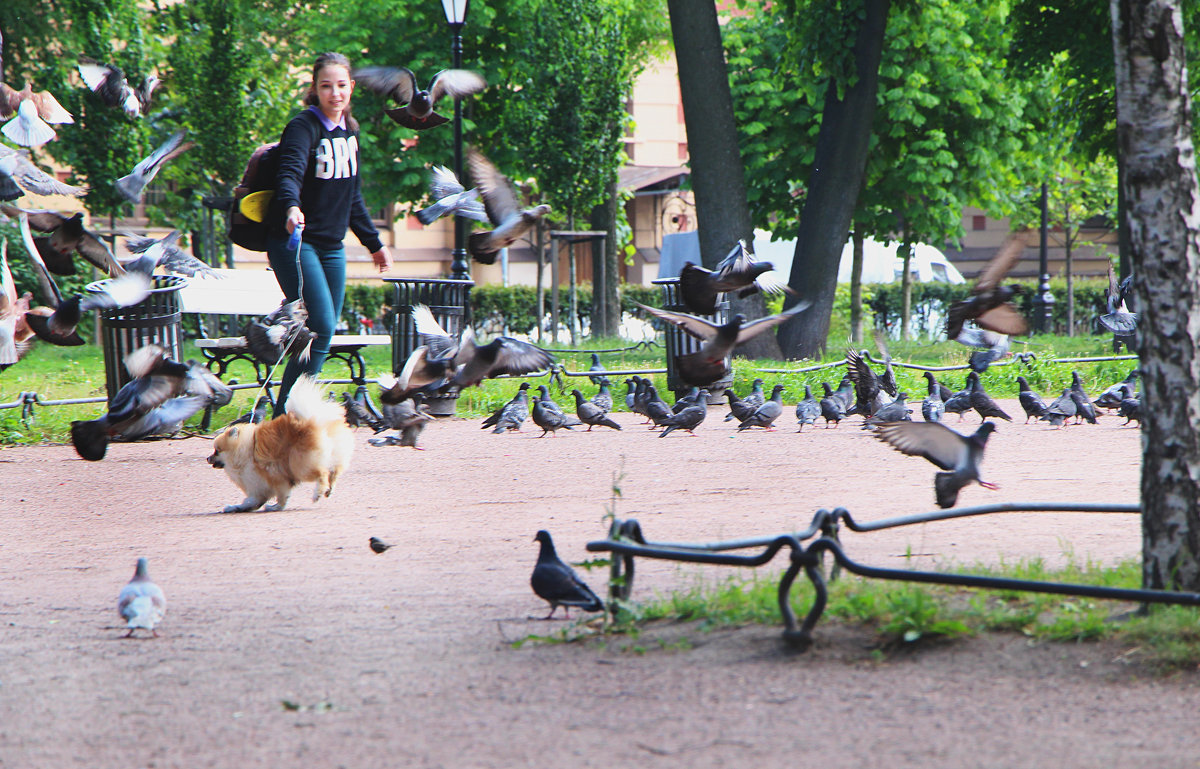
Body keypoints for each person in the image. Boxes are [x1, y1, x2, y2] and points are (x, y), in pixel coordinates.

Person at [267, 51, 392, 415]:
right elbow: (287, 174)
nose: (334, 93)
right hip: (295, 241)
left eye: (341, 85)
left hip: (332, 246)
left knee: (324, 332)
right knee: (320, 323)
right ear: (315, 89)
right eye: (326, 86)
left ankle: (288, 413)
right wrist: (292, 207)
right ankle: (286, 415)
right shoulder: (303, 127)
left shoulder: (351, 133)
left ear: (351, 87)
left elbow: (353, 196)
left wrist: (375, 244)